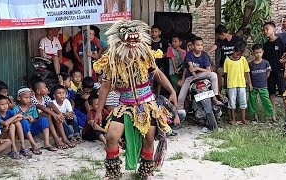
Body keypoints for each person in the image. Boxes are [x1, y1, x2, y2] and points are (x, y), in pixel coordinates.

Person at [93, 20, 179, 179]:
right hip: (125, 105)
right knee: (111, 136)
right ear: (120, 39)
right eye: (128, 38)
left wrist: (172, 91)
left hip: (147, 104)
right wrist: (99, 111)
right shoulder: (112, 60)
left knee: (149, 139)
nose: (132, 42)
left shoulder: (146, 55)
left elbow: (158, 74)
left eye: (135, 38)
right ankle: (113, 172)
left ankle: (146, 171)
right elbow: (105, 87)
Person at [177, 37, 223, 122]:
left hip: (202, 75)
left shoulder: (204, 55)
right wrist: (194, 76)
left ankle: (214, 97)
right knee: (180, 98)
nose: (200, 47)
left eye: (201, 45)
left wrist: (197, 68)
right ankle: (179, 117)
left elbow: (208, 70)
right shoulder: (189, 54)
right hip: (190, 77)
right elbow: (191, 69)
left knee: (213, 75)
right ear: (193, 46)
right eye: (198, 45)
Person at [31, 79, 74, 149]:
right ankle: (56, 139)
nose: (47, 89)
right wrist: (55, 114)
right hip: (36, 119)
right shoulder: (33, 99)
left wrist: (59, 114)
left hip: (48, 117)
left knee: (52, 113)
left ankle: (64, 138)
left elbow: (52, 105)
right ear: (38, 91)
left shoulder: (45, 97)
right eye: (45, 88)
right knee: (48, 113)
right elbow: (42, 107)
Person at [14, 87, 54, 155]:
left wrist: (33, 120)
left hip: (32, 130)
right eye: (25, 98)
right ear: (19, 98)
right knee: (24, 121)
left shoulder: (32, 106)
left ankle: (46, 143)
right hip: (22, 132)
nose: (28, 99)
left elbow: (36, 119)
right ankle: (33, 144)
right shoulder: (16, 108)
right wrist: (24, 118)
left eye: (29, 98)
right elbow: (14, 120)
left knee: (44, 119)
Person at [211, 24, 245, 95]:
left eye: (218, 35)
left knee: (229, 81)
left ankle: (231, 94)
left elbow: (243, 48)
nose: (217, 37)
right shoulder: (220, 41)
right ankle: (218, 94)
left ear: (223, 34)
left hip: (235, 65)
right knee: (219, 72)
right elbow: (215, 46)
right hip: (223, 65)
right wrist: (207, 52)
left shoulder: (237, 39)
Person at [262, 21, 286, 113]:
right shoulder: (265, 45)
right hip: (270, 73)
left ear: (274, 29)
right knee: (271, 93)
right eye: (264, 30)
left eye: (267, 29)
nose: (265, 31)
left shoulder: (281, 42)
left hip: (280, 71)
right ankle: (273, 114)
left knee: (284, 93)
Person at [224, 42, 251, 125]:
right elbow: (226, 74)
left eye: (240, 55)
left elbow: (247, 72)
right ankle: (233, 119)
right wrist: (225, 84)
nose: (238, 56)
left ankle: (243, 119)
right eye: (237, 54)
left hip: (241, 84)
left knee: (243, 101)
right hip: (231, 84)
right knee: (232, 102)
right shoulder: (227, 60)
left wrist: (249, 83)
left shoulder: (243, 60)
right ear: (233, 51)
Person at [0, 94, 32, 159]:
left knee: (16, 124)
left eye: (6, 104)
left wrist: (10, 123)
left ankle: (23, 146)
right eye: (2, 105)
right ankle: (14, 149)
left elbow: (20, 118)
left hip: (9, 133)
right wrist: (16, 116)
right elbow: (5, 123)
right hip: (0, 136)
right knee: (13, 123)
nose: (5, 106)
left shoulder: (9, 112)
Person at [248, 44, 276, 122]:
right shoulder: (251, 64)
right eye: (256, 52)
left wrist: (264, 79)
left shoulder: (266, 63)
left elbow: (268, 72)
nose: (258, 54)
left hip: (263, 86)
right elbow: (248, 75)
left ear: (263, 52)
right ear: (253, 53)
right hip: (253, 87)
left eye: (260, 52)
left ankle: (272, 116)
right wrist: (250, 84)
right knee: (252, 102)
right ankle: (254, 116)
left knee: (267, 101)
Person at [151, 25, 169, 96]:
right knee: (151, 80)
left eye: (156, 31)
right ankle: (151, 94)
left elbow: (168, 50)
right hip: (151, 64)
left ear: (159, 33)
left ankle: (158, 95)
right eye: (152, 32)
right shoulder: (149, 42)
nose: (154, 33)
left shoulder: (163, 41)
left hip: (161, 64)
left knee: (160, 81)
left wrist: (162, 56)